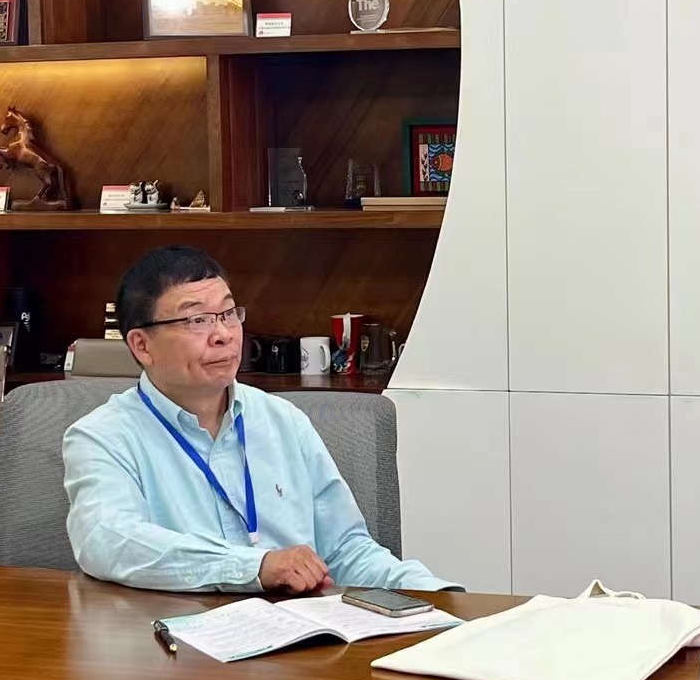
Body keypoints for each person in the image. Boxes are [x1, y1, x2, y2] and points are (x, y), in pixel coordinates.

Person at [62, 245, 456, 594]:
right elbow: (108, 541)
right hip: (174, 640)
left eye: (228, 314)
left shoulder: (283, 421)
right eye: (197, 320)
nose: (223, 334)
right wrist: (255, 567)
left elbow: (346, 552)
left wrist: (444, 599)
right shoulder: (102, 437)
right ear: (142, 345)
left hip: (298, 638)